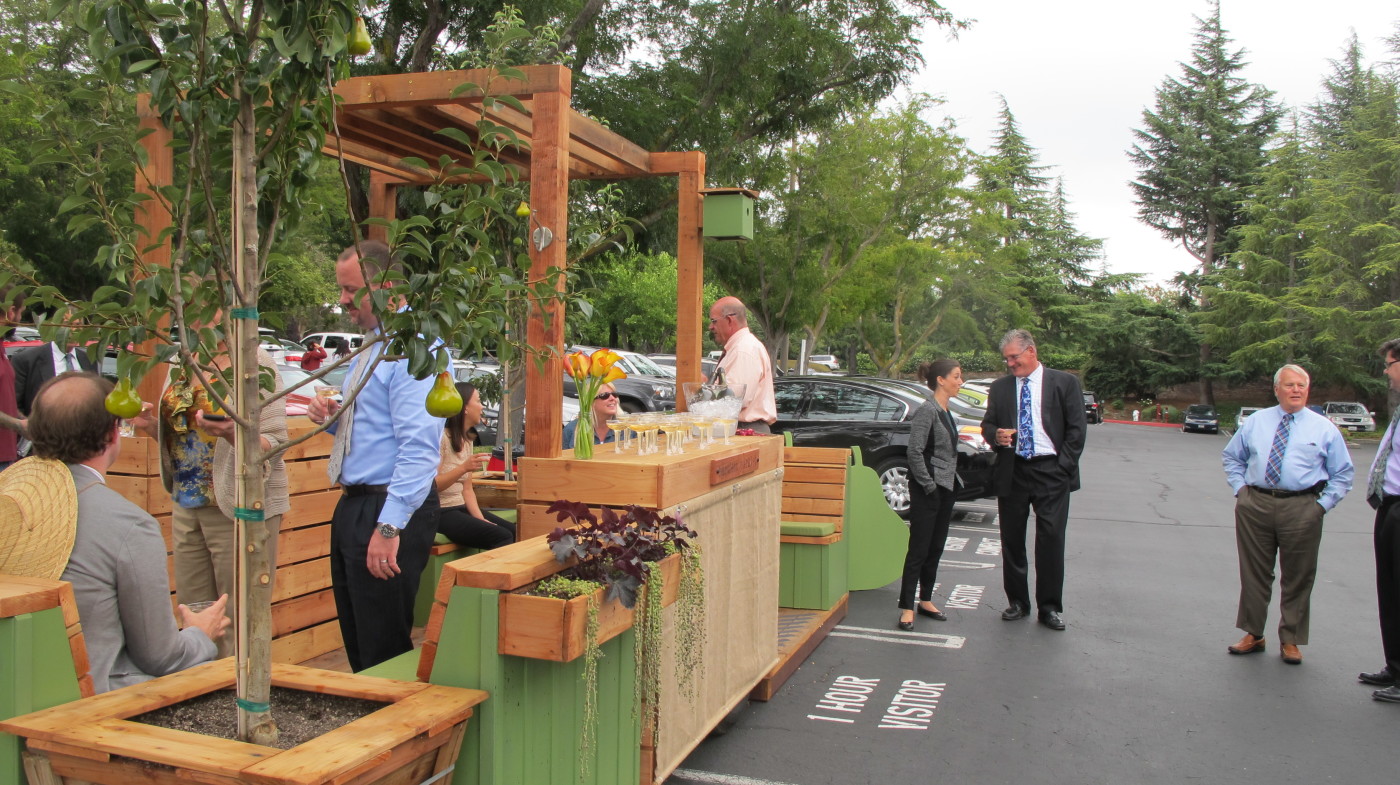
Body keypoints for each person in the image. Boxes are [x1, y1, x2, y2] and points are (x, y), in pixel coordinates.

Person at [28, 371, 229, 692]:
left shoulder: (14, 501)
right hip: (89, 698)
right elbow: (161, 657)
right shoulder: (128, 525)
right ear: (112, 434)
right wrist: (201, 634)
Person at [307, 240, 444, 672]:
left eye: (351, 290)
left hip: (388, 507)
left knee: (382, 649)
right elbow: (374, 428)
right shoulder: (373, 344)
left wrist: (388, 526)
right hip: (355, 504)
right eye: (342, 289)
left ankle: (391, 715)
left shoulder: (412, 348)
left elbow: (419, 449)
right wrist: (331, 418)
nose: (343, 300)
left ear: (386, 287)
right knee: (359, 641)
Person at [130, 333, 289, 658]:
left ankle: (241, 690)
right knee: (194, 615)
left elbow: (275, 442)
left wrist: (233, 434)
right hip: (186, 504)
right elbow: (186, 437)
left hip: (237, 505)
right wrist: (151, 425)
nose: (193, 315)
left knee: (238, 620)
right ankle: (204, 686)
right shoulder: (183, 358)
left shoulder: (254, 361)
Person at [1221, 364, 1353, 665]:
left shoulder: (1323, 428)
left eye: (1301, 385)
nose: (1296, 390)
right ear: (1276, 389)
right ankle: (1253, 633)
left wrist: (1321, 506)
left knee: (1298, 576)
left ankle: (1290, 638)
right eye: (1290, 385)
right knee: (1254, 573)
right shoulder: (1256, 422)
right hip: (1256, 505)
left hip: (1302, 508)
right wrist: (1241, 490)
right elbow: (1232, 457)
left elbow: (1343, 473)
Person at [979, 328, 1087, 631]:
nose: (1010, 364)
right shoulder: (1000, 388)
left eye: (1014, 357)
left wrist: (1063, 467)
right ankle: (1017, 602)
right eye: (1006, 359)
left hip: (1051, 471)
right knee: (1012, 539)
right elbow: (987, 424)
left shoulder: (1064, 383)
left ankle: (1049, 608)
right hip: (1013, 470)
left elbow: (1077, 429)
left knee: (1051, 539)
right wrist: (996, 435)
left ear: (1031, 351)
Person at [897, 359, 963, 630]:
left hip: (946, 488)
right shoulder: (928, 410)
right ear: (941, 380)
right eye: (956, 377)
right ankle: (906, 607)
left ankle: (925, 600)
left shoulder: (946, 410)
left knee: (936, 547)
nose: (960, 382)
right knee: (919, 549)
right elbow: (914, 452)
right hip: (929, 489)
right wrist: (929, 485)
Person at [436, 381, 515, 550]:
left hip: (461, 507)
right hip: (441, 512)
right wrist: (463, 468)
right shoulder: (441, 439)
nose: (482, 407)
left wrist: (480, 518)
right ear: (465, 407)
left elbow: (467, 489)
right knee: (502, 537)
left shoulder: (467, 440)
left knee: (514, 532)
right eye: (478, 401)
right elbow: (432, 486)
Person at [1365, 339, 1400, 702]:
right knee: (1389, 590)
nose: (1386, 372)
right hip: (1389, 507)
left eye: (1389, 364)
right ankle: (1395, 666)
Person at [708, 296, 776, 433]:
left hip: (745, 430)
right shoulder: (741, 347)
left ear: (729, 320)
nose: (711, 327)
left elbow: (734, 401)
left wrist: (704, 392)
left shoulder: (743, 350)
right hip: (742, 429)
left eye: (714, 321)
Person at [13, 315, 97, 417]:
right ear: (55, 327)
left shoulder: (89, 359)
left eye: (78, 325)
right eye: (67, 325)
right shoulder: (27, 360)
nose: (73, 330)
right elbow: (14, 406)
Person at [0, 289, 24, 471]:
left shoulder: (2, 347)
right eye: (21, 312)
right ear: (11, 311)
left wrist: (24, 419)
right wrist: (19, 424)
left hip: (6, 455)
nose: (21, 319)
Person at [562, 382, 619, 450]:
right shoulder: (572, 429)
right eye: (605, 395)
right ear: (591, 402)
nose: (612, 398)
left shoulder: (625, 429)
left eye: (614, 394)